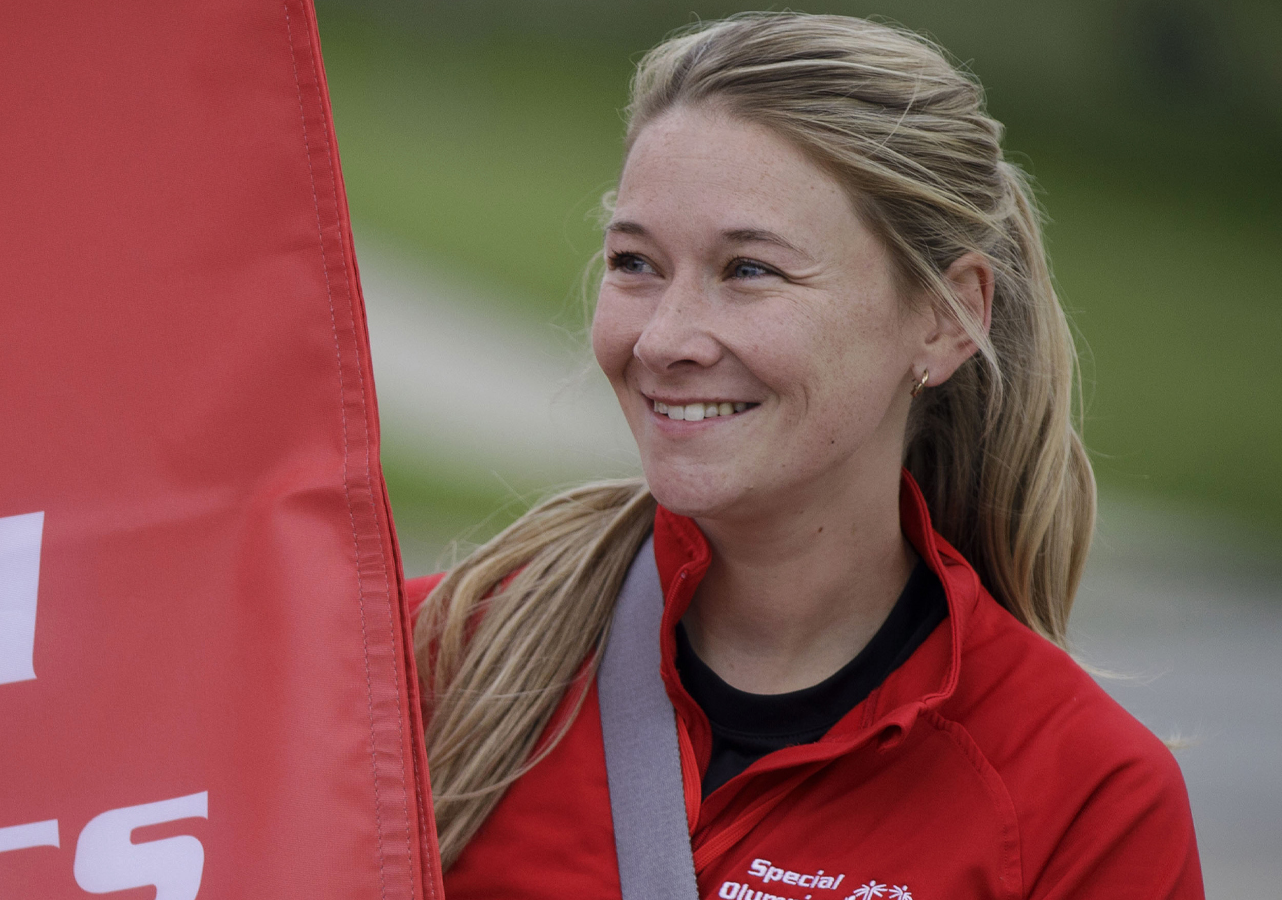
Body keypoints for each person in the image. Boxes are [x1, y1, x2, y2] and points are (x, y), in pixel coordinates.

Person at [404, 13, 1202, 899]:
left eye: (750, 270)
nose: (665, 337)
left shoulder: (1085, 798)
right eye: (635, 262)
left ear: (947, 317)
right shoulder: (430, 663)